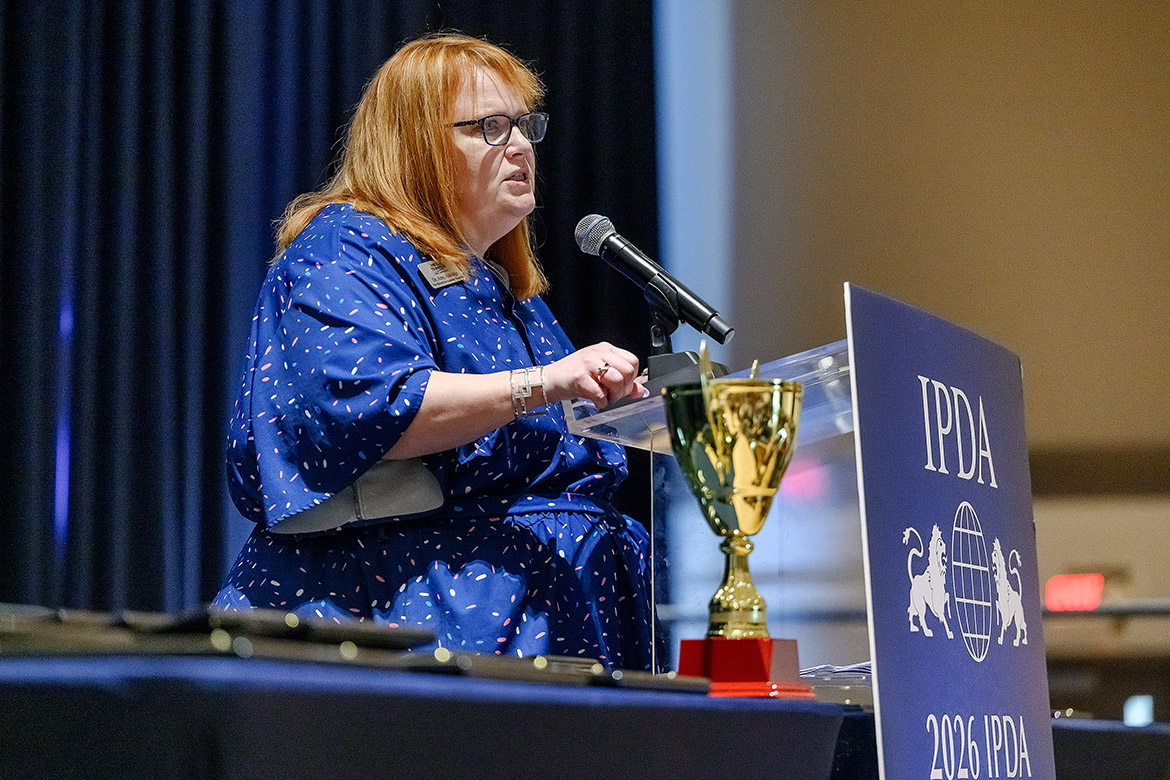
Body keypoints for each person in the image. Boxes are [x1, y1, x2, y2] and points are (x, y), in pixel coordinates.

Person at [213, 33, 656, 671]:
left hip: (554, 615)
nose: (523, 144)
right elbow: (378, 405)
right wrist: (545, 383)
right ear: (417, 142)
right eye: (492, 126)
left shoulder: (502, 289)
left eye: (526, 123)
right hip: (417, 610)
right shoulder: (344, 248)